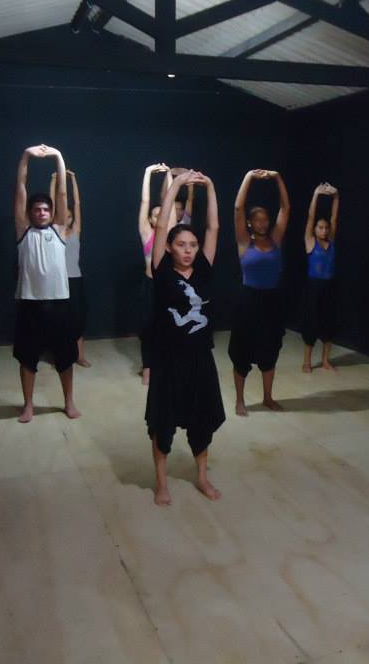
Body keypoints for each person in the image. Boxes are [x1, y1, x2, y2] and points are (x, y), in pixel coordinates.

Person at [145, 170, 224, 506]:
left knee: (201, 419)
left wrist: (211, 187)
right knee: (162, 422)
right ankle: (161, 483)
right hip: (168, 359)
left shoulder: (204, 268)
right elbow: (162, 225)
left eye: (192, 245)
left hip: (199, 358)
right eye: (181, 245)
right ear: (169, 247)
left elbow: (214, 228)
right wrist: (176, 185)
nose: (188, 250)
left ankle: (202, 477)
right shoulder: (162, 270)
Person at [14, 145, 80, 422]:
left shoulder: (59, 229)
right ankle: (28, 405)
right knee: (27, 358)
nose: (41, 212)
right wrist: (26, 156)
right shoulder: (23, 230)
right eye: (37, 209)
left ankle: (68, 402)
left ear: (51, 213)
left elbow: (62, 194)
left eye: (45, 209)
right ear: (30, 213)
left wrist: (58, 157)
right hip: (30, 304)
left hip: (59, 304)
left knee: (64, 358)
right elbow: (20, 188)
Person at [229, 169, 290, 415]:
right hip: (248, 301)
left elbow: (286, 208)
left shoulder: (276, 239)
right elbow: (238, 208)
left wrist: (277, 178)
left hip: (272, 302)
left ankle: (267, 398)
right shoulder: (245, 242)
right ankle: (240, 400)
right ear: (250, 223)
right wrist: (248, 177)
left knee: (270, 350)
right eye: (258, 220)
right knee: (242, 352)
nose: (263, 223)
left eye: (266, 219)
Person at [137, 163, 173, 385]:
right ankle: (148, 368)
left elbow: (170, 201)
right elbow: (145, 202)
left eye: (163, 215)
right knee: (148, 328)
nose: (160, 218)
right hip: (151, 285)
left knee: (170, 327)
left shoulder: (171, 234)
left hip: (168, 286)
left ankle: (167, 364)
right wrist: (148, 173)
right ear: (150, 220)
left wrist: (169, 175)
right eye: (155, 215)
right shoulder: (146, 233)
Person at [50, 169, 90, 367]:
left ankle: (79, 355)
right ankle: (59, 355)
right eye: (62, 215)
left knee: (77, 318)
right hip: (58, 281)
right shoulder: (54, 231)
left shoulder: (75, 231)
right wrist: (54, 180)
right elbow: (52, 202)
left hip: (75, 279)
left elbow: (78, 204)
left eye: (69, 216)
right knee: (58, 319)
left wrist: (73, 180)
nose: (66, 218)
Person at [300, 182, 339, 372]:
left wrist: (336, 197)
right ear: (315, 229)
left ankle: (325, 360)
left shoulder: (331, 242)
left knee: (329, 324)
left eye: (326, 228)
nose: (323, 230)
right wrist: (316, 195)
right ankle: (307, 361)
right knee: (311, 324)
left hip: (329, 288)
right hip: (313, 288)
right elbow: (310, 217)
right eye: (320, 227)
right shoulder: (310, 242)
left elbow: (334, 217)